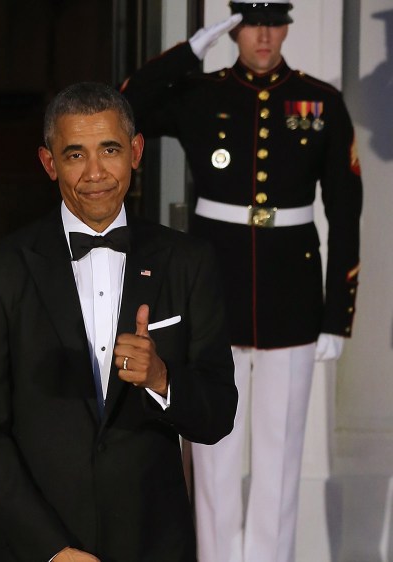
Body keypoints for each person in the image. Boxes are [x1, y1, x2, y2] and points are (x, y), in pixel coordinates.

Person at [120, 2, 363, 561]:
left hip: (292, 293)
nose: (263, 35)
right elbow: (125, 105)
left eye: (274, 22)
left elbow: (345, 214)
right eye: (251, 22)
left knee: (280, 454)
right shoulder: (200, 93)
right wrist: (190, 51)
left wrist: (336, 315)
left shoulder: (321, 103)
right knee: (212, 450)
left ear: (286, 27)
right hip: (213, 288)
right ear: (234, 27)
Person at [0, 81, 237, 562]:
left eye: (109, 150)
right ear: (49, 163)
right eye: (74, 154)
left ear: (135, 151)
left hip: (153, 542)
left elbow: (217, 415)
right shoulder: (2, 267)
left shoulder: (188, 261)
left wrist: (161, 378)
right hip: (35, 548)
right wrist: (52, 549)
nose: (95, 173)